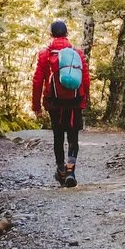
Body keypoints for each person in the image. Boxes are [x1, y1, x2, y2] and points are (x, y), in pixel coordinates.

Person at [31, 19, 90, 187]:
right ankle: (71, 170)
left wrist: (36, 106)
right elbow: (85, 79)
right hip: (75, 100)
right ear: (67, 34)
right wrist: (84, 99)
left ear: (50, 34)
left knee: (58, 135)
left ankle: (61, 171)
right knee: (73, 135)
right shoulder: (76, 52)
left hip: (54, 102)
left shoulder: (45, 54)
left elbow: (37, 81)